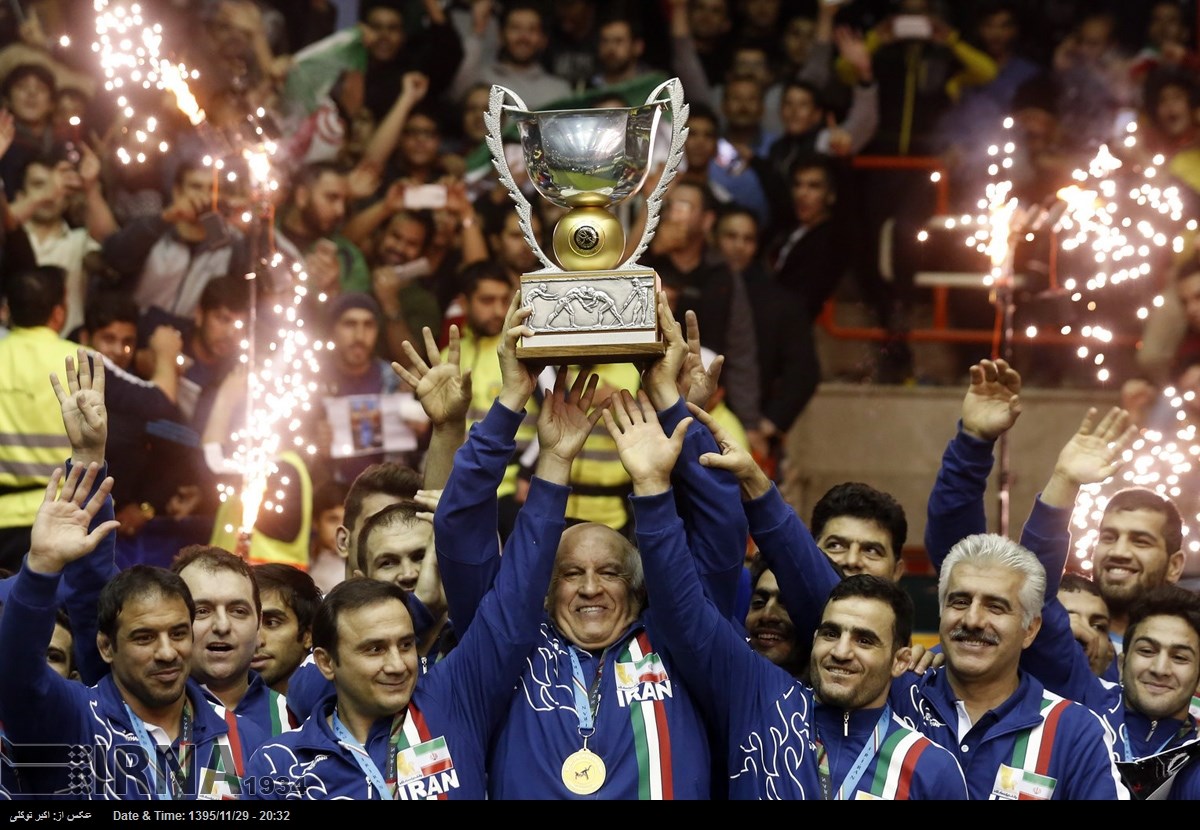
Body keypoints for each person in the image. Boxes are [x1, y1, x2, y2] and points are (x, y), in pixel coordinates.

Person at [436, 293, 745, 799]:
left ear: (640, 589)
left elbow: (721, 529)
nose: (590, 588)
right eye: (570, 574)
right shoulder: (505, 648)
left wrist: (669, 403)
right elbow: (459, 528)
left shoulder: (681, 645)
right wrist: (514, 405)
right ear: (542, 590)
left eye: (611, 572)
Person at [244, 361, 597, 800]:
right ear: (327, 661)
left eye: (405, 645)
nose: (397, 664)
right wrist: (421, 605)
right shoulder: (280, 763)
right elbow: (307, 686)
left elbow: (519, 587)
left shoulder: (454, 693)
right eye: (374, 649)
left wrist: (546, 453)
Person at [602, 387, 967, 798]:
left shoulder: (932, 768)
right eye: (830, 632)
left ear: (900, 659)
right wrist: (652, 486)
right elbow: (683, 607)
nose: (840, 650)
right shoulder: (762, 696)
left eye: (864, 640)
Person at [0, 476, 266, 797]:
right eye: (144, 638)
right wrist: (42, 567)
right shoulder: (73, 717)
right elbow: (18, 671)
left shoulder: (245, 738)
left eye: (178, 633)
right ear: (106, 646)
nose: (167, 652)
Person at [171, 545, 296, 737]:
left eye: (238, 611)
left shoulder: (293, 719)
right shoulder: (147, 714)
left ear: (258, 623)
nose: (222, 626)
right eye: (202, 611)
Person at [100, 160, 249, 320]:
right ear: (177, 191)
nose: (205, 197)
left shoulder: (229, 243)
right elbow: (114, 256)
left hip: (190, 333)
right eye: (196, 187)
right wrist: (165, 218)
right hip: (138, 328)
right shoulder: (154, 229)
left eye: (213, 189)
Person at [251, 563, 321, 695]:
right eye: (248, 625)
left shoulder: (337, 701)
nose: (257, 641)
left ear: (308, 635)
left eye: (271, 623)